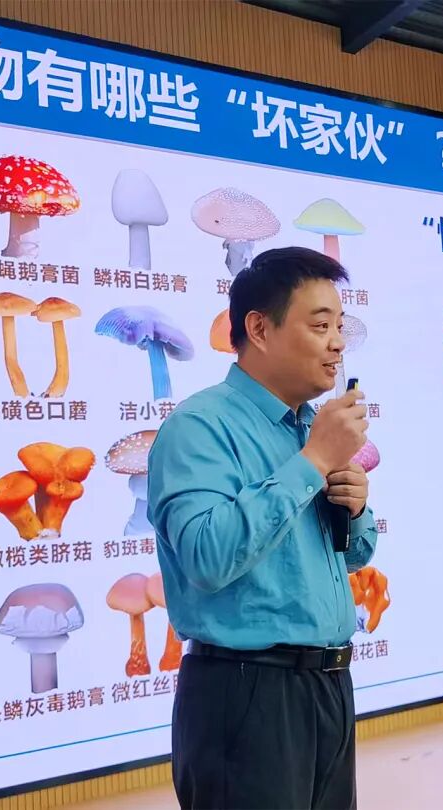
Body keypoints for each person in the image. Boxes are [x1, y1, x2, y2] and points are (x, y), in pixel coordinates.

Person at [147, 246, 379, 810]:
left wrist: (354, 510)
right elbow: (207, 557)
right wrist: (313, 462)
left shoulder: (308, 428)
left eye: (340, 326)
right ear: (259, 329)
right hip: (245, 691)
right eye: (320, 326)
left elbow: (352, 556)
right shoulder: (199, 426)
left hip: (327, 687)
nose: (337, 343)